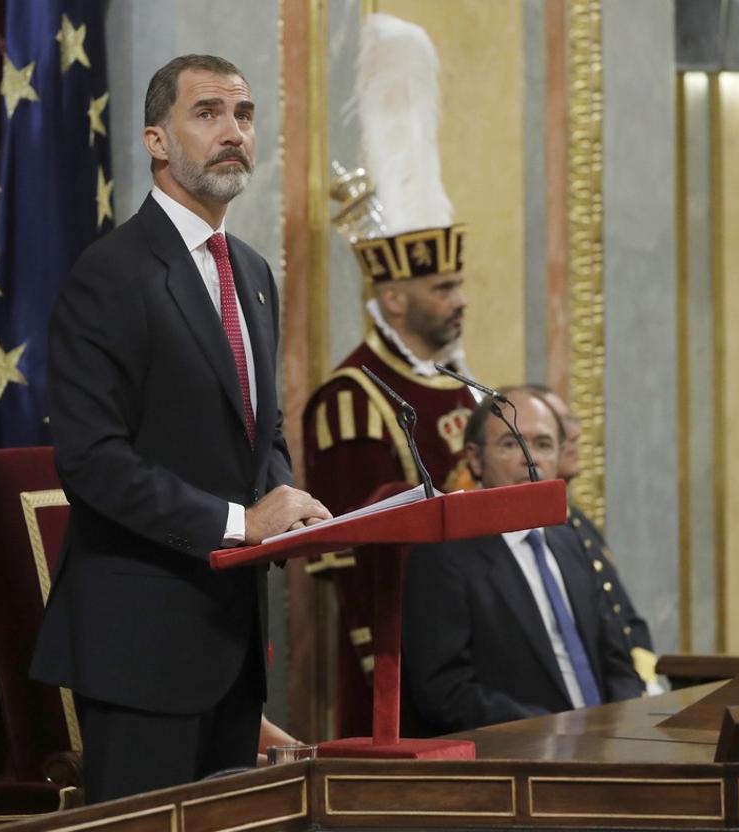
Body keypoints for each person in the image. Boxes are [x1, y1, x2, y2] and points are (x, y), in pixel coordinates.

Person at [29, 54, 330, 803]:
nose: (234, 132)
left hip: (232, 648)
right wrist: (241, 522)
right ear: (156, 140)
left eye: (246, 114)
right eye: (208, 113)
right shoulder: (112, 274)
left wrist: (290, 504)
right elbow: (94, 462)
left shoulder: (253, 273)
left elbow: (260, 434)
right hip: (140, 652)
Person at [302, 12, 478, 738]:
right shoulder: (350, 400)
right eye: (444, 289)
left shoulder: (473, 387)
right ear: (395, 297)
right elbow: (357, 556)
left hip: (486, 636)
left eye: (461, 284)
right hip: (412, 657)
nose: (461, 300)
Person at [402, 390, 644, 733]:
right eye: (510, 444)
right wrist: (553, 732)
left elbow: (617, 658)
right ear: (475, 458)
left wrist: (622, 724)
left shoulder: (571, 540)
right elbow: (444, 690)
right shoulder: (443, 555)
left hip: (608, 745)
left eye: (544, 444)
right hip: (520, 758)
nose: (530, 458)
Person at [525, 385, 662, 693]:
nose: (573, 434)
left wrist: (644, 679)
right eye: (560, 427)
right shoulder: (533, 536)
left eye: (571, 422)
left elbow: (622, 616)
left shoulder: (577, 523)